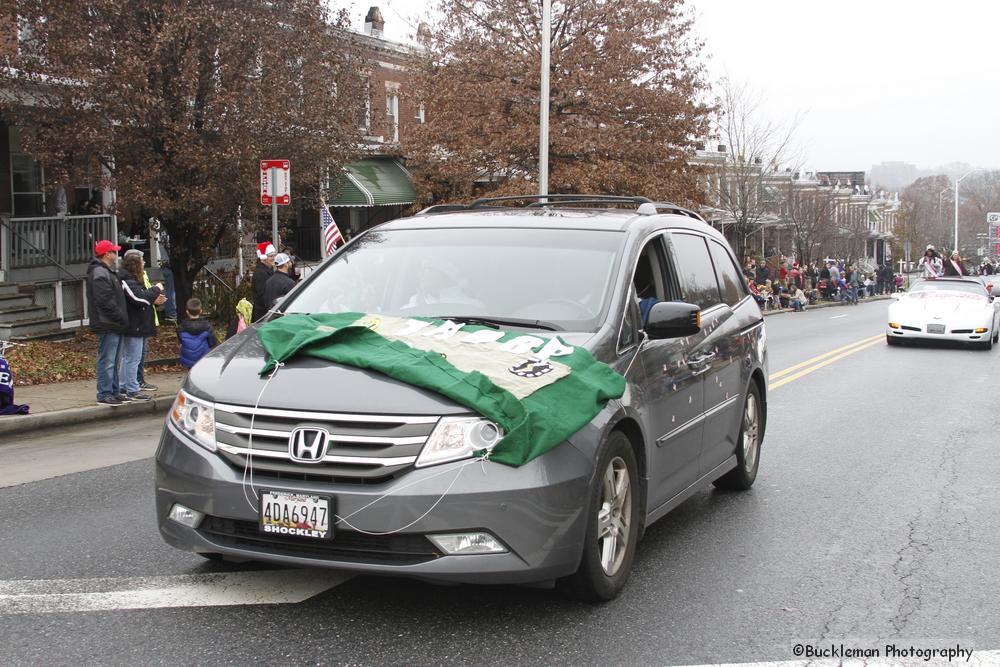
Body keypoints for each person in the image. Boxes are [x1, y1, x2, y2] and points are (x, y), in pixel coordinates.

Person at [86, 240, 129, 406]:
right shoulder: (99, 272)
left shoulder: (106, 272)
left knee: (114, 360)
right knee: (108, 360)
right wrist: (120, 316)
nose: (115, 255)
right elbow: (104, 300)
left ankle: (113, 391)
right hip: (107, 322)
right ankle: (105, 393)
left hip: (113, 322)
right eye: (113, 252)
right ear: (106, 254)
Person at [120, 253, 165, 401]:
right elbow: (140, 299)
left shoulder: (132, 279)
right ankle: (131, 389)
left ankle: (124, 386)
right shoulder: (127, 280)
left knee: (130, 358)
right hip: (135, 325)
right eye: (142, 261)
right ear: (135, 265)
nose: (144, 263)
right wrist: (156, 289)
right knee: (132, 358)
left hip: (137, 324)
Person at [177, 298, 218, 368]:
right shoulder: (207, 326)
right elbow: (212, 342)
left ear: (187, 312)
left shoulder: (181, 327)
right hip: (203, 357)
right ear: (201, 311)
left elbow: (181, 341)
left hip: (188, 358)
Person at [251, 241, 276, 322]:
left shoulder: (267, 270)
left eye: (274, 255)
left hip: (266, 313)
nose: (273, 258)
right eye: (270, 256)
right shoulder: (261, 273)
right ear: (263, 257)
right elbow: (263, 296)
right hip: (263, 315)